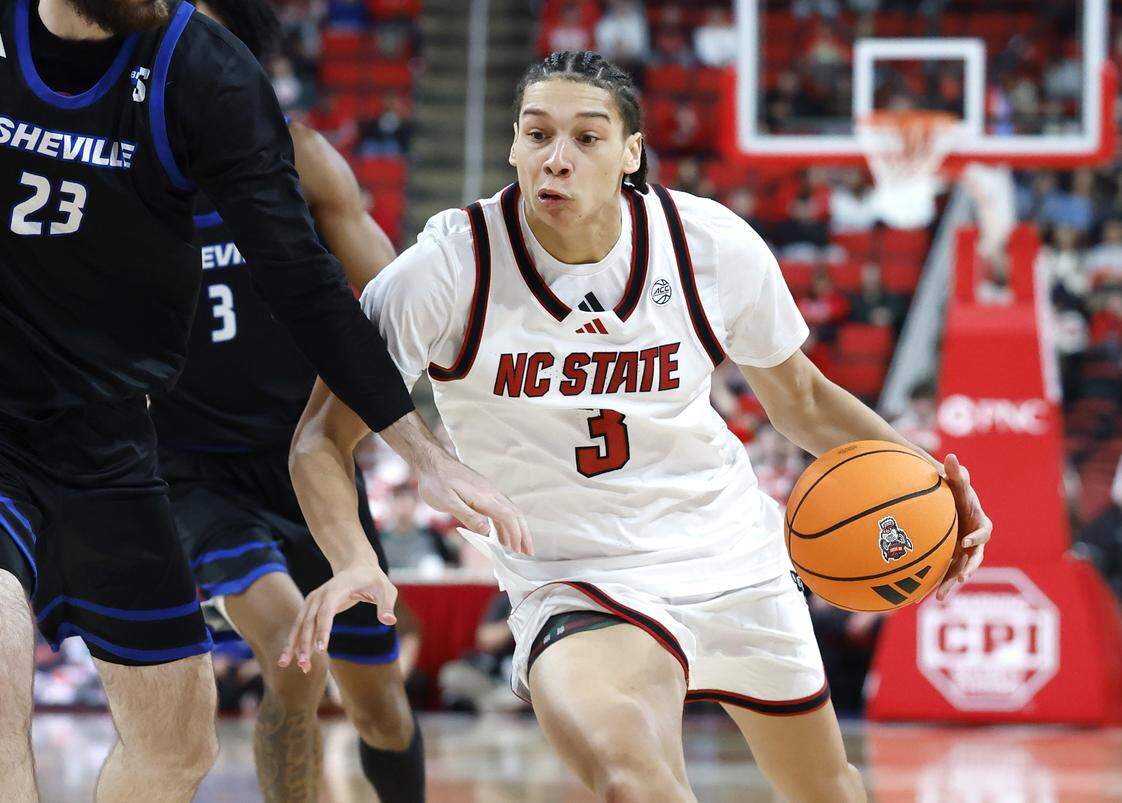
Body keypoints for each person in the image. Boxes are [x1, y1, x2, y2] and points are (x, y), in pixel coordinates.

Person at [283, 51, 992, 801]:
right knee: (633, 780)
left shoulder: (708, 245)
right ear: (514, 146)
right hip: (575, 577)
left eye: (587, 138)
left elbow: (805, 402)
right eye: (537, 134)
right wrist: (352, 557)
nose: (557, 158)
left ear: (631, 153)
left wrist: (931, 482)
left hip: (731, 556)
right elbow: (319, 440)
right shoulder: (445, 271)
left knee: (830, 789)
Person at [0, 1, 525, 800]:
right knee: (288, 656)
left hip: (219, 451)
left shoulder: (243, 114)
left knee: (225, 737)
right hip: (184, 465)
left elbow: (355, 297)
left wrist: (422, 443)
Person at [143, 1, 427, 799]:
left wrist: (364, 412)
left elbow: (398, 301)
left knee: (381, 709)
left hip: (311, 461)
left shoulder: (300, 158)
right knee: (291, 658)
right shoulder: (134, 172)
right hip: (195, 474)